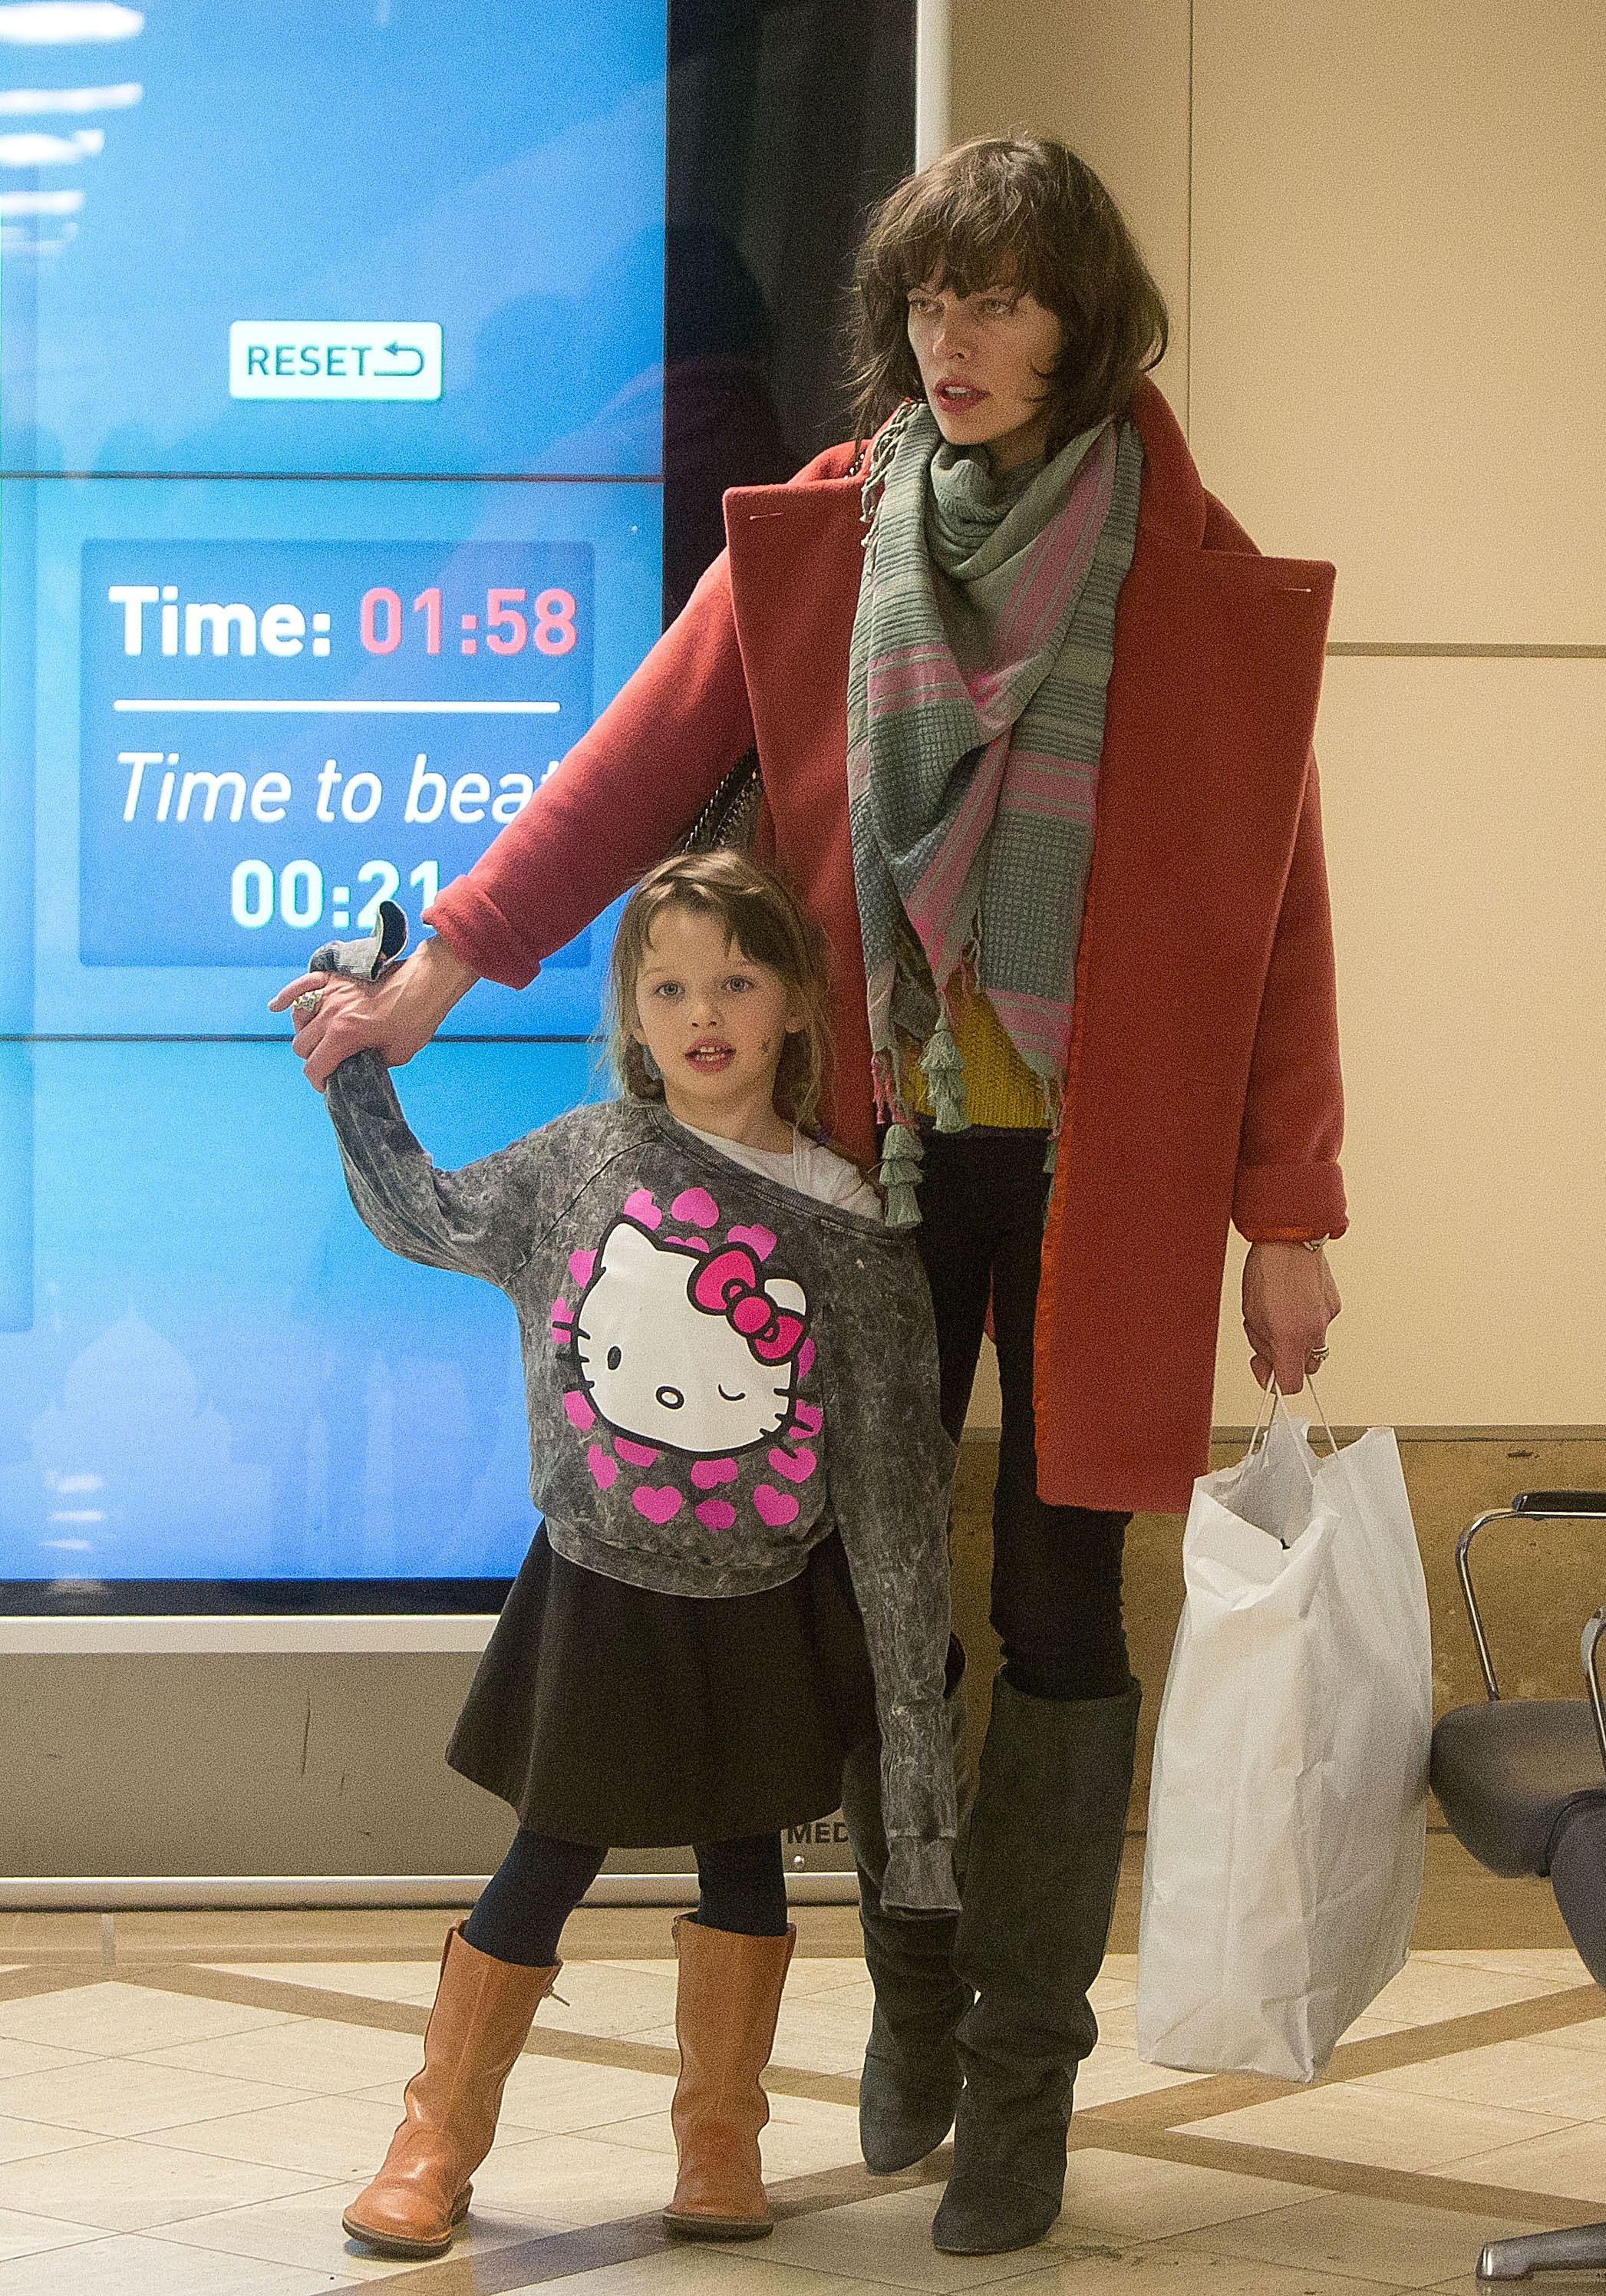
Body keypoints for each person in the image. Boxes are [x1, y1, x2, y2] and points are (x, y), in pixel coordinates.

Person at [275, 135, 1347, 2259]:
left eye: (1002, 298)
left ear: (1085, 319)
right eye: (931, 300)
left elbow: (1275, 909)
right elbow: (619, 780)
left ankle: (1023, 2072)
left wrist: (1288, 1209)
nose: (957, 340)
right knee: (858, 1586)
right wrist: (430, 980)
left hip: (1102, 1173)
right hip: (859, 1176)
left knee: (1057, 1613)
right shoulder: (833, 534)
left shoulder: (1188, 568)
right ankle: (917, 1989)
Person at [301, 853, 958, 2261]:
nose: (702, 1013)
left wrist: (916, 1751)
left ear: (796, 1005)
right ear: (633, 1016)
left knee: (744, 1864)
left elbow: (899, 1495)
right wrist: (354, 1071)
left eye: (737, 980)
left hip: (760, 1601)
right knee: (545, 1857)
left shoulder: (851, 1223)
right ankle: (433, 2139)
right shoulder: (586, 1158)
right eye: (668, 988)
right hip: (598, 1593)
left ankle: (721, 2137)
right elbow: (426, 1214)